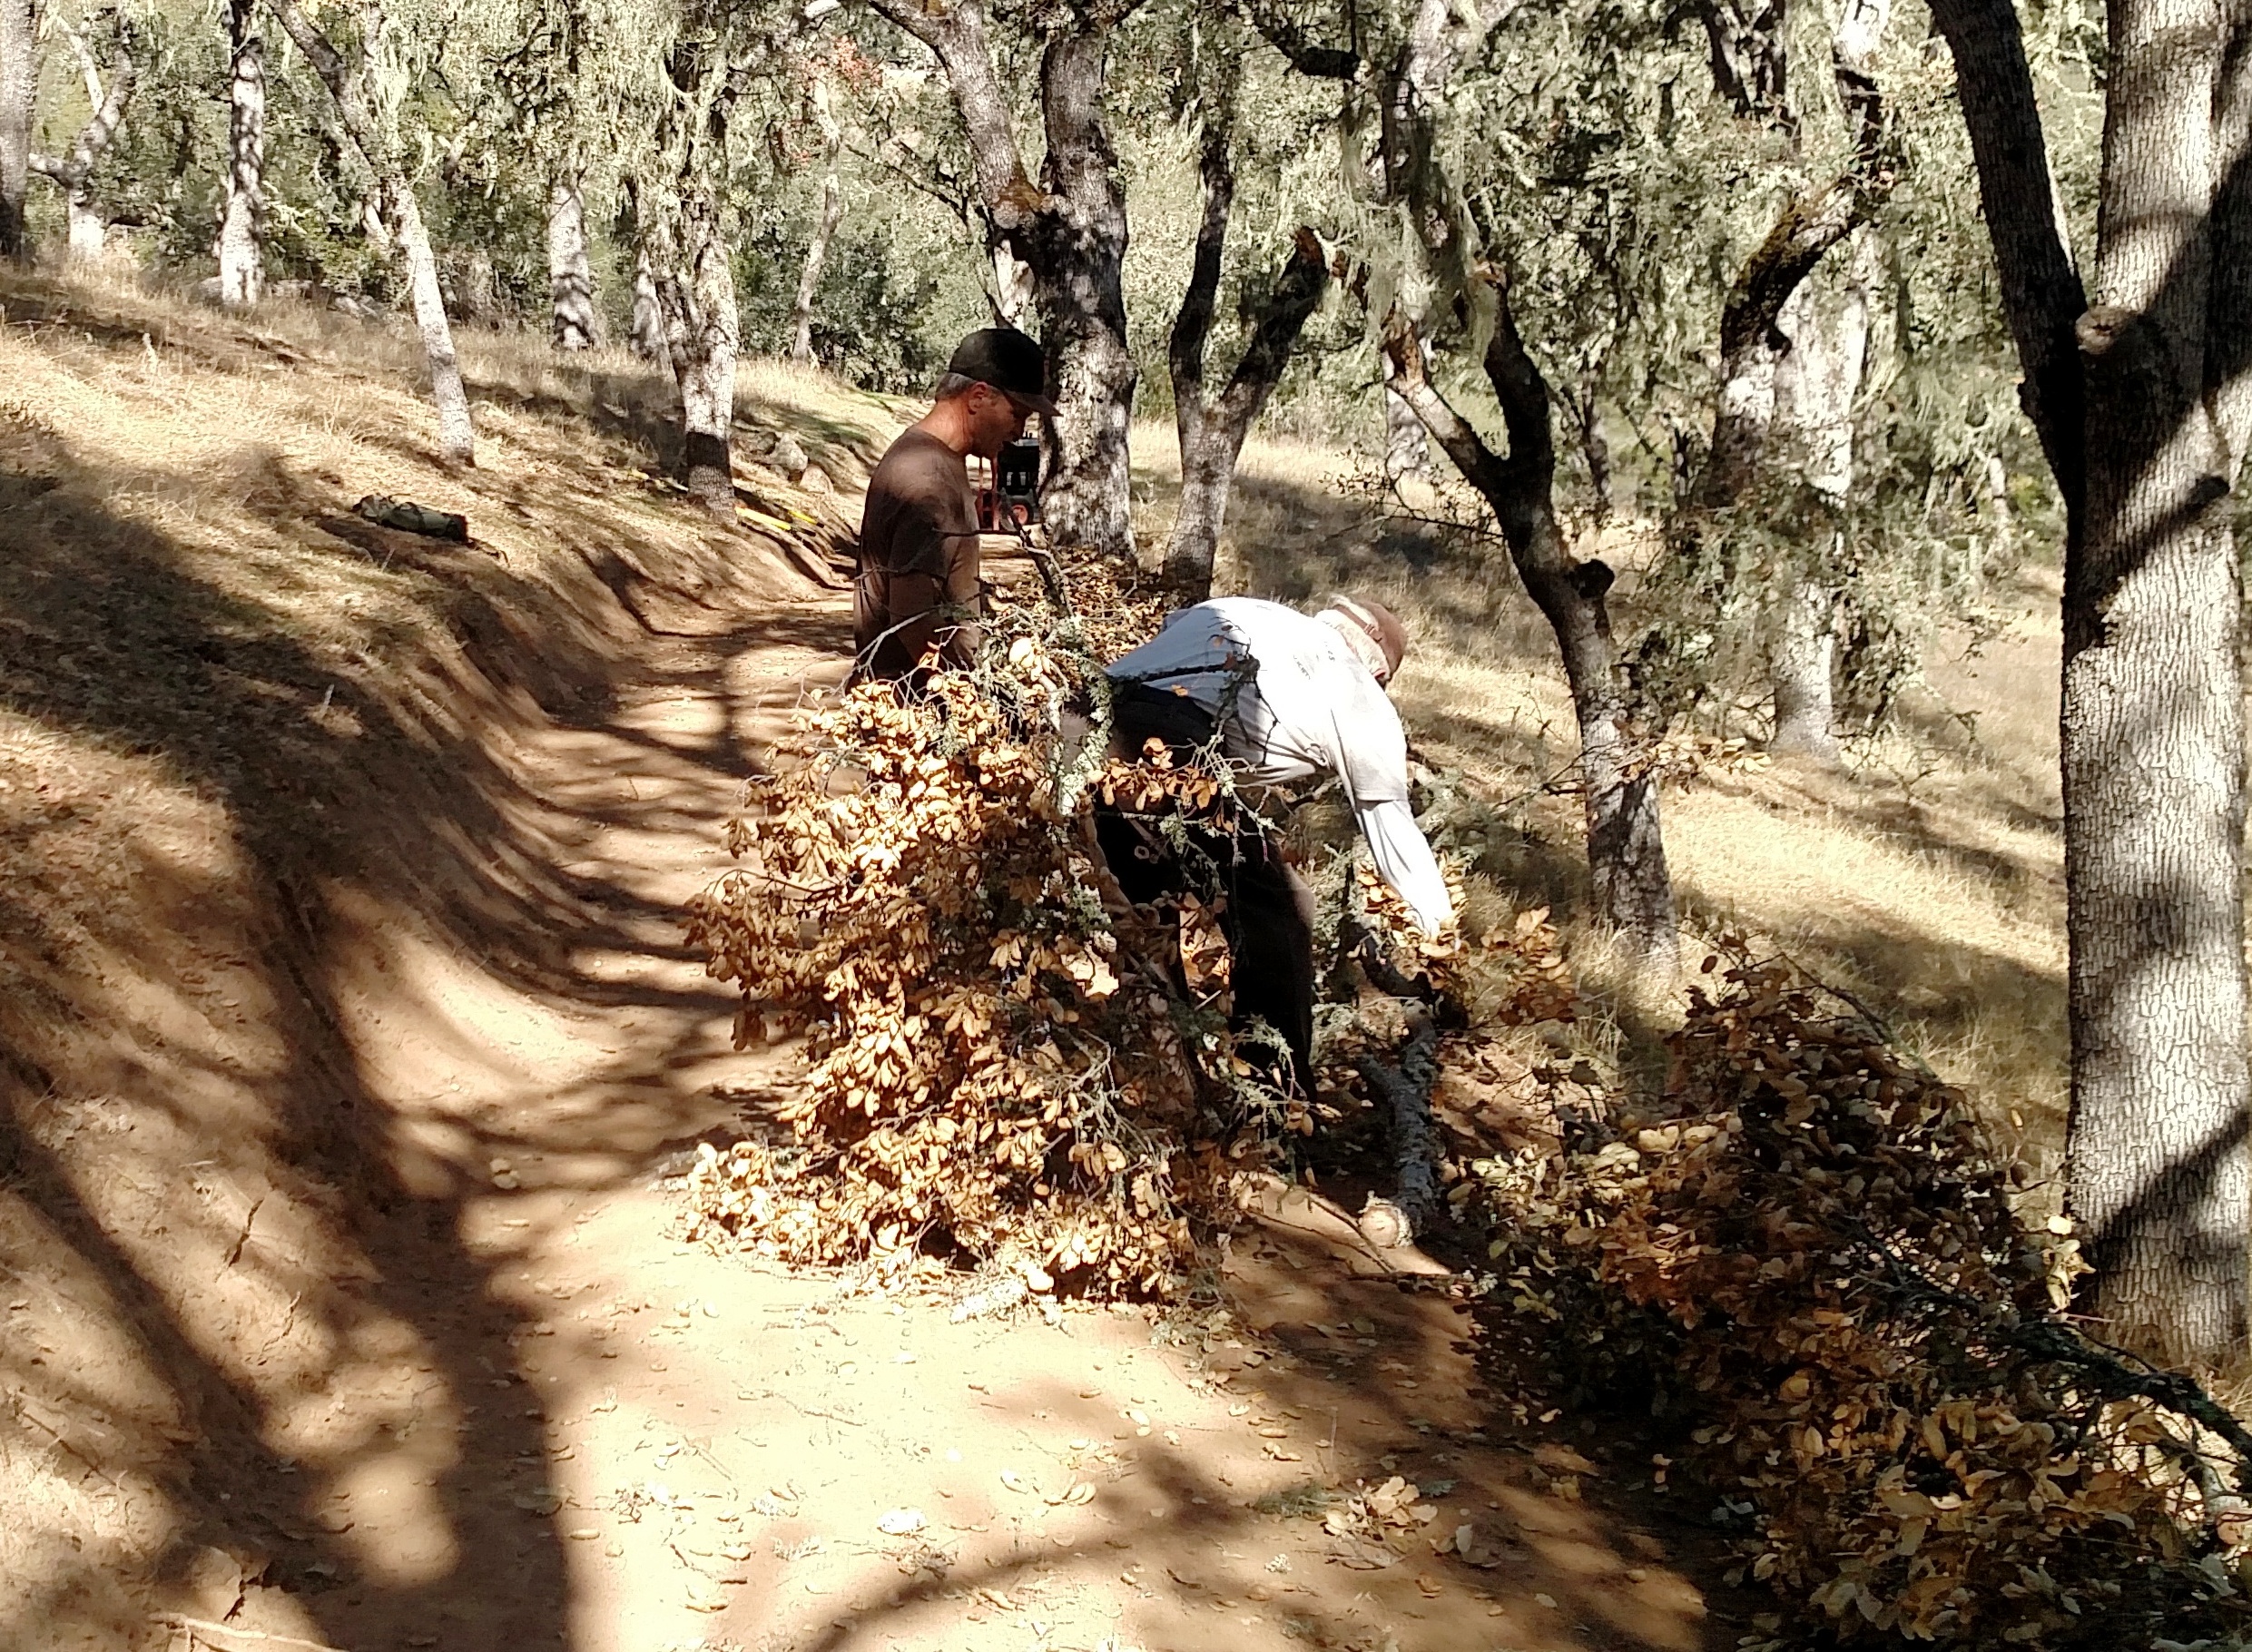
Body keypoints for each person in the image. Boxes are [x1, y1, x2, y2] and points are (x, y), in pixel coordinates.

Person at [1098, 595, 1452, 1093]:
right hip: (1173, 750)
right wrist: (1442, 941)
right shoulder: (1353, 688)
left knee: (1149, 915)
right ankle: (1274, 1095)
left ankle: (1159, 1075)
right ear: (1376, 669)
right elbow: (1393, 833)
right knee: (1282, 908)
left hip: (1086, 726)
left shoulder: (1245, 610)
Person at [853, 328, 1059, 683]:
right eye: (1017, 414)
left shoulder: (936, 459)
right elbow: (912, 620)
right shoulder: (927, 482)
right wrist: (967, 693)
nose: (1019, 430)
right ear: (978, 396)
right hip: (915, 710)